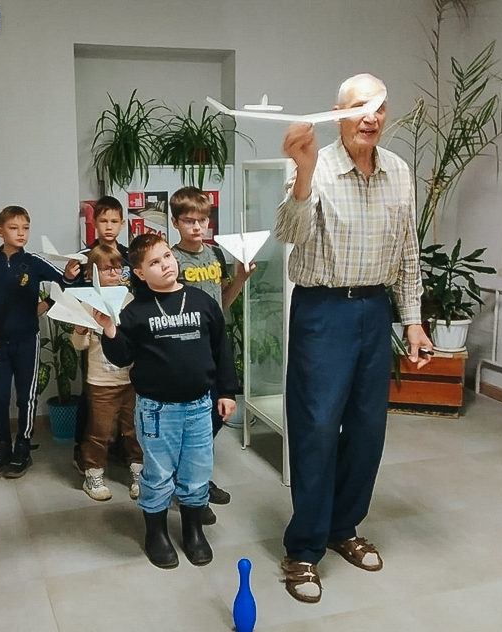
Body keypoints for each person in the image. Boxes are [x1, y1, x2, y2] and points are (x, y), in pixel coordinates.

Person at [275, 73, 432, 603]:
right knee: (317, 429)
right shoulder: (314, 164)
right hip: (323, 311)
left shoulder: (399, 171)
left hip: (374, 309)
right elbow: (289, 235)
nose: (371, 116)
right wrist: (302, 172)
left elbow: (408, 249)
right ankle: (303, 547)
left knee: (368, 429)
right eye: (360, 106)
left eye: (380, 107)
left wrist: (412, 319)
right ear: (338, 112)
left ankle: (343, 526)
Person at [96, 233, 240, 570]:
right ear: (140, 273)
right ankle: (156, 533)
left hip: (200, 405)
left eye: (167, 257)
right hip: (157, 410)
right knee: (158, 473)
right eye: (154, 263)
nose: (165, 265)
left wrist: (227, 391)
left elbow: (221, 348)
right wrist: (110, 330)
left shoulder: (202, 302)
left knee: (197, 470)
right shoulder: (135, 312)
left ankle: (193, 530)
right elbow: (121, 357)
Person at [0, 206, 78, 480]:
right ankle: (2, 447)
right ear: (0, 231)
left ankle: (23, 447)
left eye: (25, 228)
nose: (21, 233)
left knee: (26, 397)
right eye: (13, 228)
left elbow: (64, 280)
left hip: (27, 340)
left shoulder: (33, 262)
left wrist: (48, 301)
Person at [170, 186, 255, 523]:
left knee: (218, 413)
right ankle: (190, 488)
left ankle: (197, 477)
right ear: (175, 222)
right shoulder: (172, 259)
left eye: (202, 220)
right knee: (193, 420)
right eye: (189, 220)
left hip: (216, 342)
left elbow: (223, 302)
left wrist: (241, 279)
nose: (197, 227)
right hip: (186, 348)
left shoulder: (216, 256)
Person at [71, 244, 143, 501]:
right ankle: (93, 474)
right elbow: (79, 345)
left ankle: (139, 473)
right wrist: (80, 331)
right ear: (91, 273)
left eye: (117, 267)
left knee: (134, 429)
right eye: (105, 268)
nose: (113, 273)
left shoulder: (130, 299)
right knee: (99, 431)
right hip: (100, 381)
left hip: (130, 379)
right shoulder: (87, 302)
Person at [70, 196, 136, 470]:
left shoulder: (129, 256)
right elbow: (72, 291)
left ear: (122, 224)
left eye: (114, 221)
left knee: (128, 412)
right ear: (94, 223)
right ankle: (87, 455)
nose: (108, 226)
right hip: (92, 331)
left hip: (122, 332)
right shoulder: (83, 256)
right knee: (94, 400)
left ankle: (125, 454)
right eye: (103, 221)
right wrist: (69, 277)